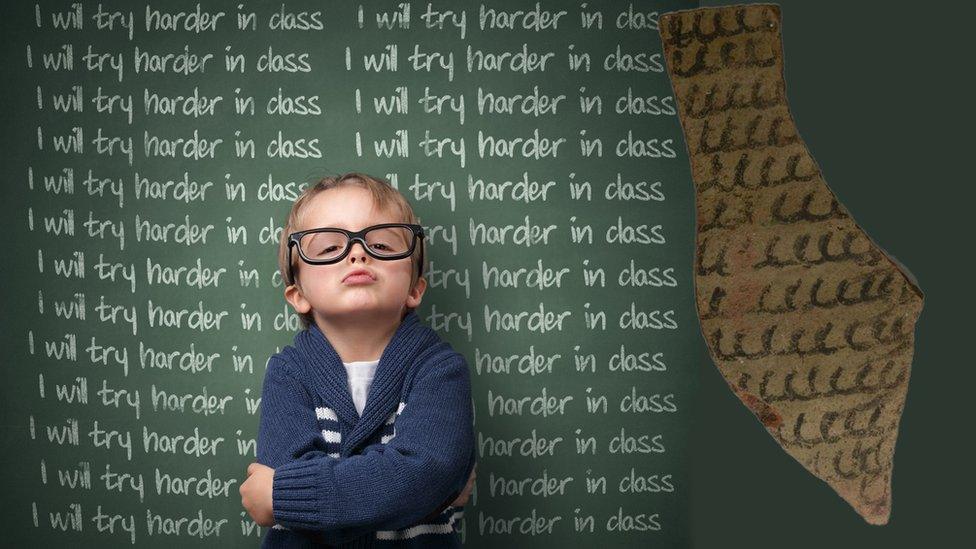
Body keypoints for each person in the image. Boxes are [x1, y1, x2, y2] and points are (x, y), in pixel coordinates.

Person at [240, 172, 477, 547]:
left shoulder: (440, 371)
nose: (357, 252)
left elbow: (425, 476)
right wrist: (409, 493)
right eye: (329, 248)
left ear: (415, 288)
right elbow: (417, 487)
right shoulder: (287, 374)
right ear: (298, 294)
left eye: (382, 245)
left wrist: (283, 497)